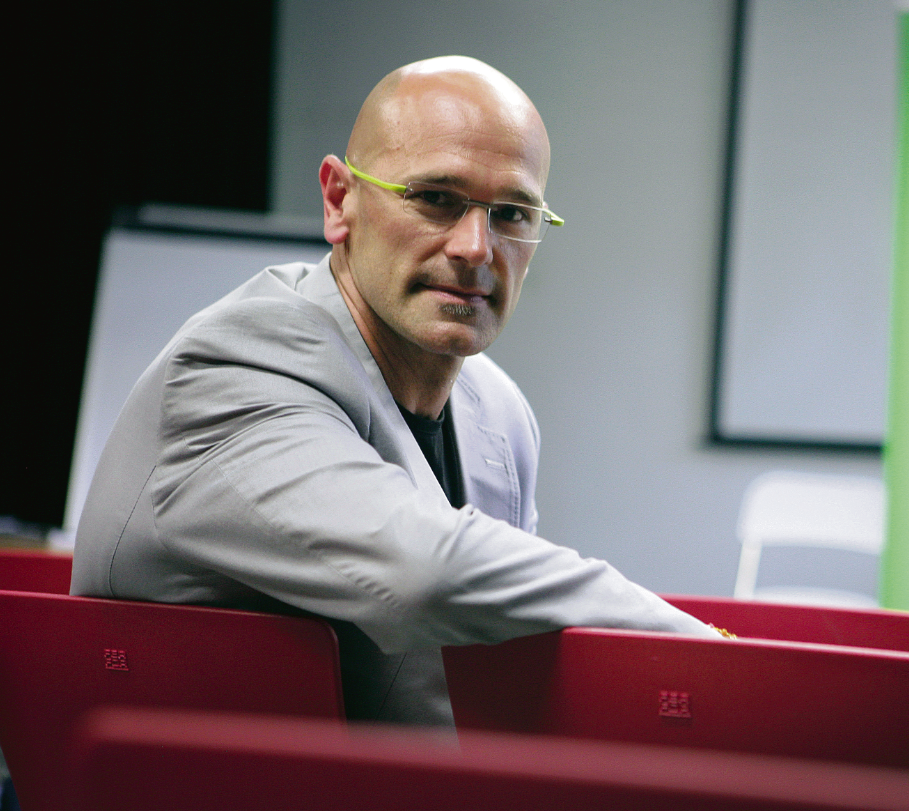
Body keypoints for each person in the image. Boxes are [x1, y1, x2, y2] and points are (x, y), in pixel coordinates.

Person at [70, 56, 719, 725]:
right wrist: (711, 654)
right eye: (435, 198)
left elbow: (506, 662)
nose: (475, 246)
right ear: (338, 200)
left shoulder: (498, 408)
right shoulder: (233, 364)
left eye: (511, 212)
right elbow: (426, 575)